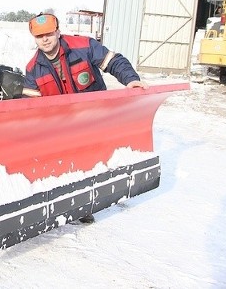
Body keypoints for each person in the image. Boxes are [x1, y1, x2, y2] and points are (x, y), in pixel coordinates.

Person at [22, 13, 148, 223]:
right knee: (65, 162)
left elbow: (114, 61)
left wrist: (132, 80)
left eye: (49, 34)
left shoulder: (84, 46)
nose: (45, 39)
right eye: (39, 36)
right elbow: (28, 109)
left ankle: (89, 201)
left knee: (91, 160)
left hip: (94, 119)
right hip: (61, 127)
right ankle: (73, 204)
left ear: (58, 32)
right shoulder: (33, 68)